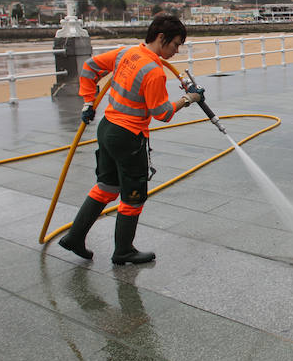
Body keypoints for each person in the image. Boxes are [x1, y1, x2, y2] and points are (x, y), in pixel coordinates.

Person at [58, 13, 203, 264]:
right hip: (129, 138)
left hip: (108, 129)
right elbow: (162, 114)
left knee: (105, 187)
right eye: (176, 44)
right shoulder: (154, 71)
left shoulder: (126, 53)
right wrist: (188, 99)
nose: (177, 51)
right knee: (133, 196)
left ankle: (74, 237)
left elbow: (89, 67)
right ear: (161, 37)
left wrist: (88, 101)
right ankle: (123, 250)